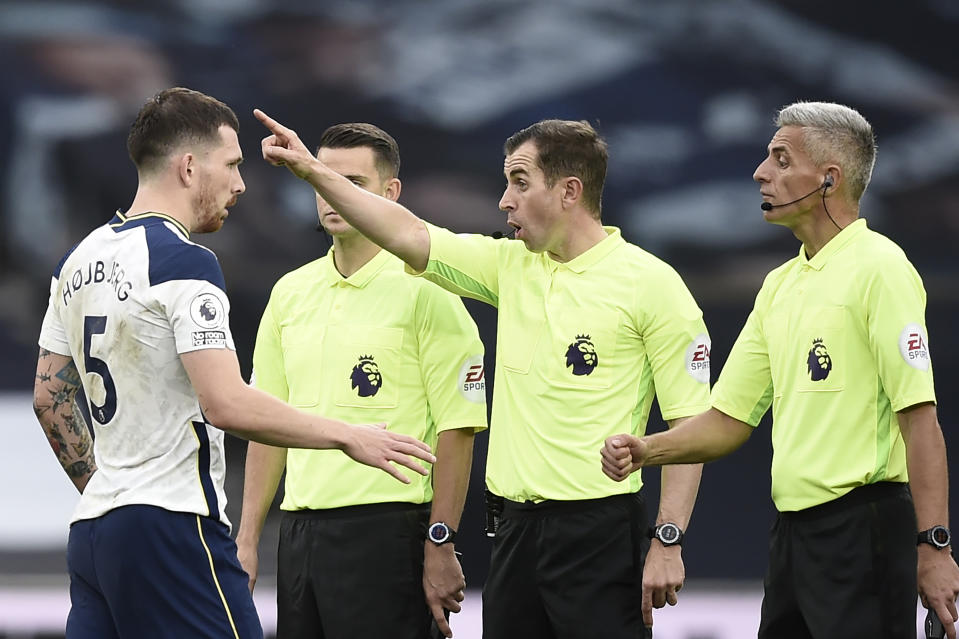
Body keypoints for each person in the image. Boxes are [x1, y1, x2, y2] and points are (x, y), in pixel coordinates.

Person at [254, 108, 714, 638]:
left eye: (519, 182)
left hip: (600, 531)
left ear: (569, 191)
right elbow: (406, 231)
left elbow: (690, 424)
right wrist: (313, 171)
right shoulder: (509, 266)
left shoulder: (651, 284)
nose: (504, 201)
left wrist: (668, 538)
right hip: (513, 534)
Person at [32, 87, 435, 639]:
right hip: (174, 526)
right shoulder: (184, 261)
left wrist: (111, 492)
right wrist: (347, 436)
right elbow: (225, 403)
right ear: (190, 166)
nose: (241, 184)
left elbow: (49, 398)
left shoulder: (76, 260)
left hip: (96, 532)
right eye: (233, 164)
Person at [601, 101, 959, 639]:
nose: (761, 173)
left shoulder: (881, 269)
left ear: (828, 179)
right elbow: (728, 420)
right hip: (792, 537)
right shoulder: (779, 285)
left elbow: (920, 422)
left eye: (781, 159)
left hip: (863, 531)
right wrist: (646, 451)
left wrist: (934, 547)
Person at [235, 122, 488, 639]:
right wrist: (247, 540)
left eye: (353, 182)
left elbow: (458, 427)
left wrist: (440, 541)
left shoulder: (428, 288)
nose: (333, 194)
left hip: (389, 530)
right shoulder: (290, 292)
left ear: (391, 194)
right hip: (300, 532)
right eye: (324, 178)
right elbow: (268, 424)